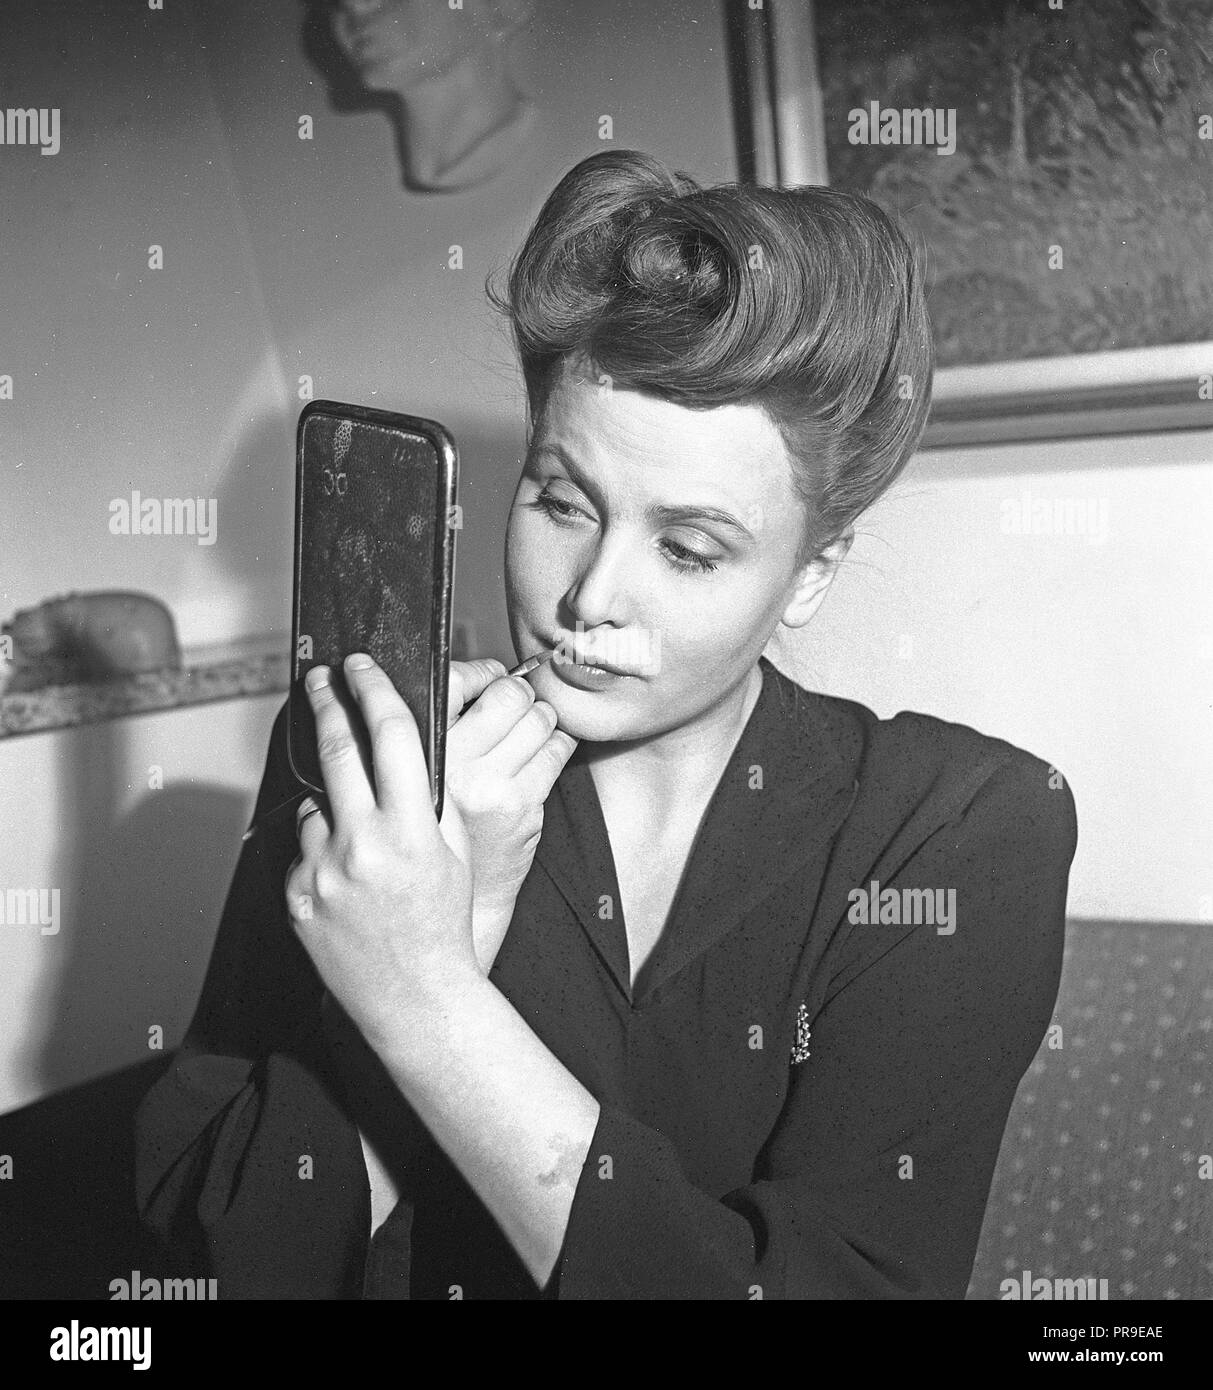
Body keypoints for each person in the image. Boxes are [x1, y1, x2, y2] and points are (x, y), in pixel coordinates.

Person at [134, 148, 1078, 1299]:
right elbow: (229, 1264)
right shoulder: (375, 755)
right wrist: (457, 910)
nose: (588, 597)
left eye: (687, 548)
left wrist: (426, 997)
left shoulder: (961, 826)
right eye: (561, 502)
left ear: (811, 574)